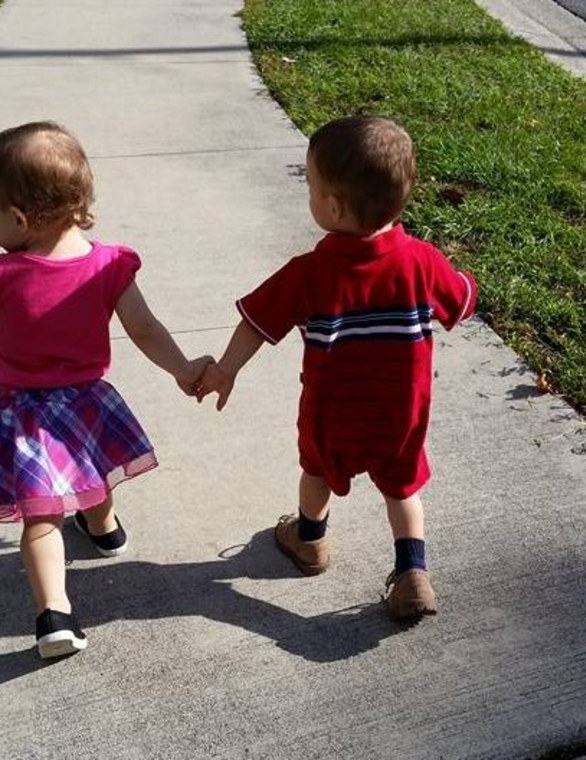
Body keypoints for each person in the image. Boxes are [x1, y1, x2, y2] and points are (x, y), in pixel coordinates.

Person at [197, 116, 477, 621]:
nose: (310, 195)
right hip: (401, 413)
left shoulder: (310, 272)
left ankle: (309, 540)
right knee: (402, 488)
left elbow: (258, 324)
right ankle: (413, 571)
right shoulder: (422, 262)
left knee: (317, 472)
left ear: (332, 206)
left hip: (331, 414)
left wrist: (227, 369)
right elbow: (460, 301)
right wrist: (463, 281)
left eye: (310, 185)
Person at [0, 121, 211, 657]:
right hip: (88, 403)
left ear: (19, 218)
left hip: (24, 415)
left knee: (41, 517)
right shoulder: (110, 265)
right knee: (89, 470)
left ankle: (54, 617)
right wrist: (183, 367)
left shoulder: (1, 274)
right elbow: (145, 328)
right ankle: (106, 529)